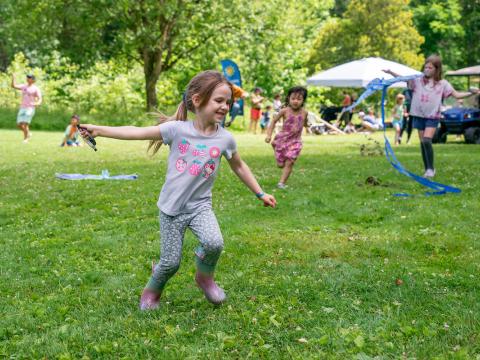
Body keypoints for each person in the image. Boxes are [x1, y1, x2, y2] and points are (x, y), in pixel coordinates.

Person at [78, 70, 276, 310]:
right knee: (170, 263)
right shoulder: (177, 129)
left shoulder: (225, 139)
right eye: (219, 100)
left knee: (215, 243)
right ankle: (151, 293)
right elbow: (136, 132)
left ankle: (205, 278)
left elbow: (239, 166)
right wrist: (99, 129)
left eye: (228, 102)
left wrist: (260, 193)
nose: (225, 107)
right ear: (197, 100)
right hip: (172, 209)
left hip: (200, 206)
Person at [384, 55, 479, 178]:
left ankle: (430, 168)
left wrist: (470, 93)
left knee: (427, 140)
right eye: (426, 67)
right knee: (422, 142)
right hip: (418, 115)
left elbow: (457, 95)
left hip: (432, 116)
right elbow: (402, 78)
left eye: (430, 67)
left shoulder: (443, 84)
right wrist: (391, 72)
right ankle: (427, 169)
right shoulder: (417, 80)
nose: (426, 69)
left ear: (436, 69)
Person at [265, 86, 309, 189]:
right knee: (281, 165)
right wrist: (268, 135)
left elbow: (305, 123)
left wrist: (308, 126)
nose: (295, 101)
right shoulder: (284, 111)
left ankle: (281, 183)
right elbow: (273, 121)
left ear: (303, 100)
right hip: (282, 140)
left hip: (296, 141)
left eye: (299, 99)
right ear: (288, 98)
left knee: (290, 162)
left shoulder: (304, 113)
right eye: (293, 98)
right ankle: (275, 146)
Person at [11, 74, 42, 143]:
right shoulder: (23, 86)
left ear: (33, 80)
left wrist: (37, 103)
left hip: (30, 108)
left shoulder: (36, 89)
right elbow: (13, 86)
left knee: (25, 124)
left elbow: (40, 98)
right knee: (19, 124)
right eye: (27, 77)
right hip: (22, 107)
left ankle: (26, 139)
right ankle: (28, 134)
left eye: (29, 78)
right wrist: (14, 78)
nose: (27, 79)